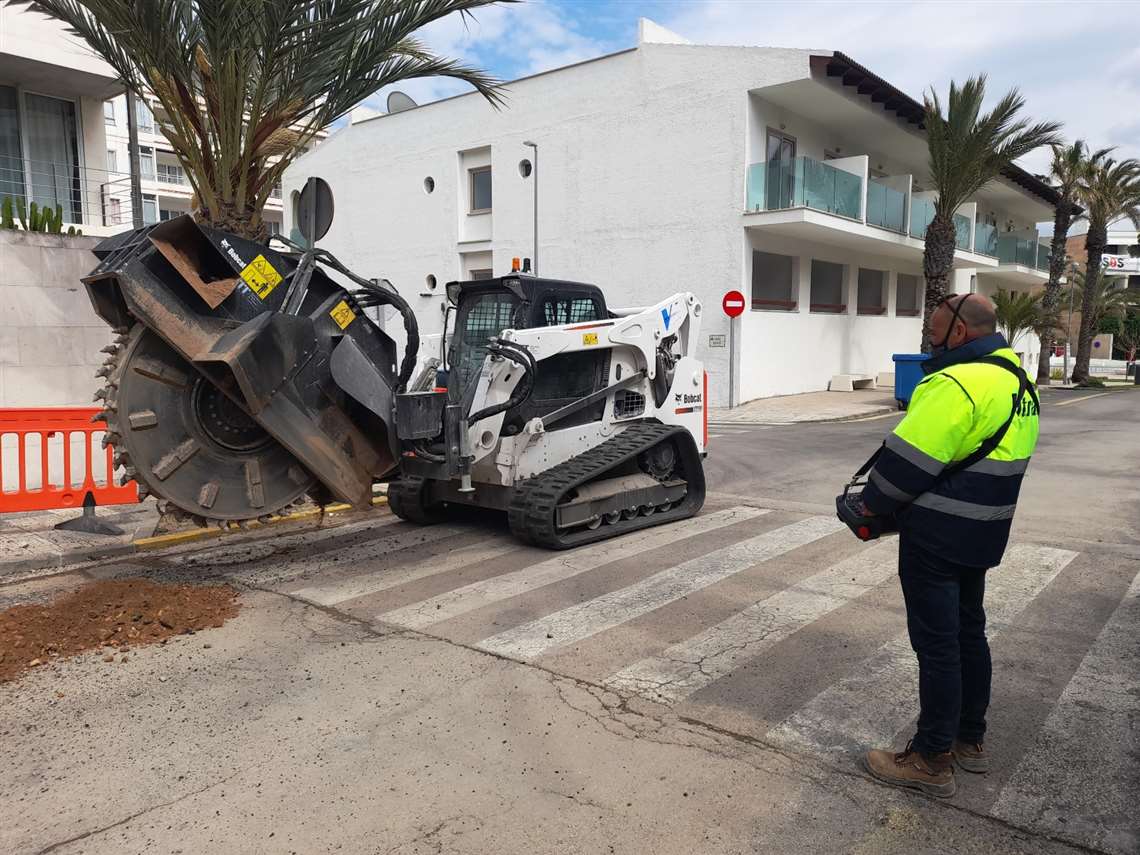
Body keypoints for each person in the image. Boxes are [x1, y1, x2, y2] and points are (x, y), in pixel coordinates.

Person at [859, 293, 1040, 799]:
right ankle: (968, 739)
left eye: (933, 333)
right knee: (968, 634)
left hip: (936, 537)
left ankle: (930, 757)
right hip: (984, 533)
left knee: (937, 646)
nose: (929, 342)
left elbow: (905, 465)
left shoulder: (955, 381)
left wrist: (870, 504)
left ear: (958, 334)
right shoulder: (1019, 382)